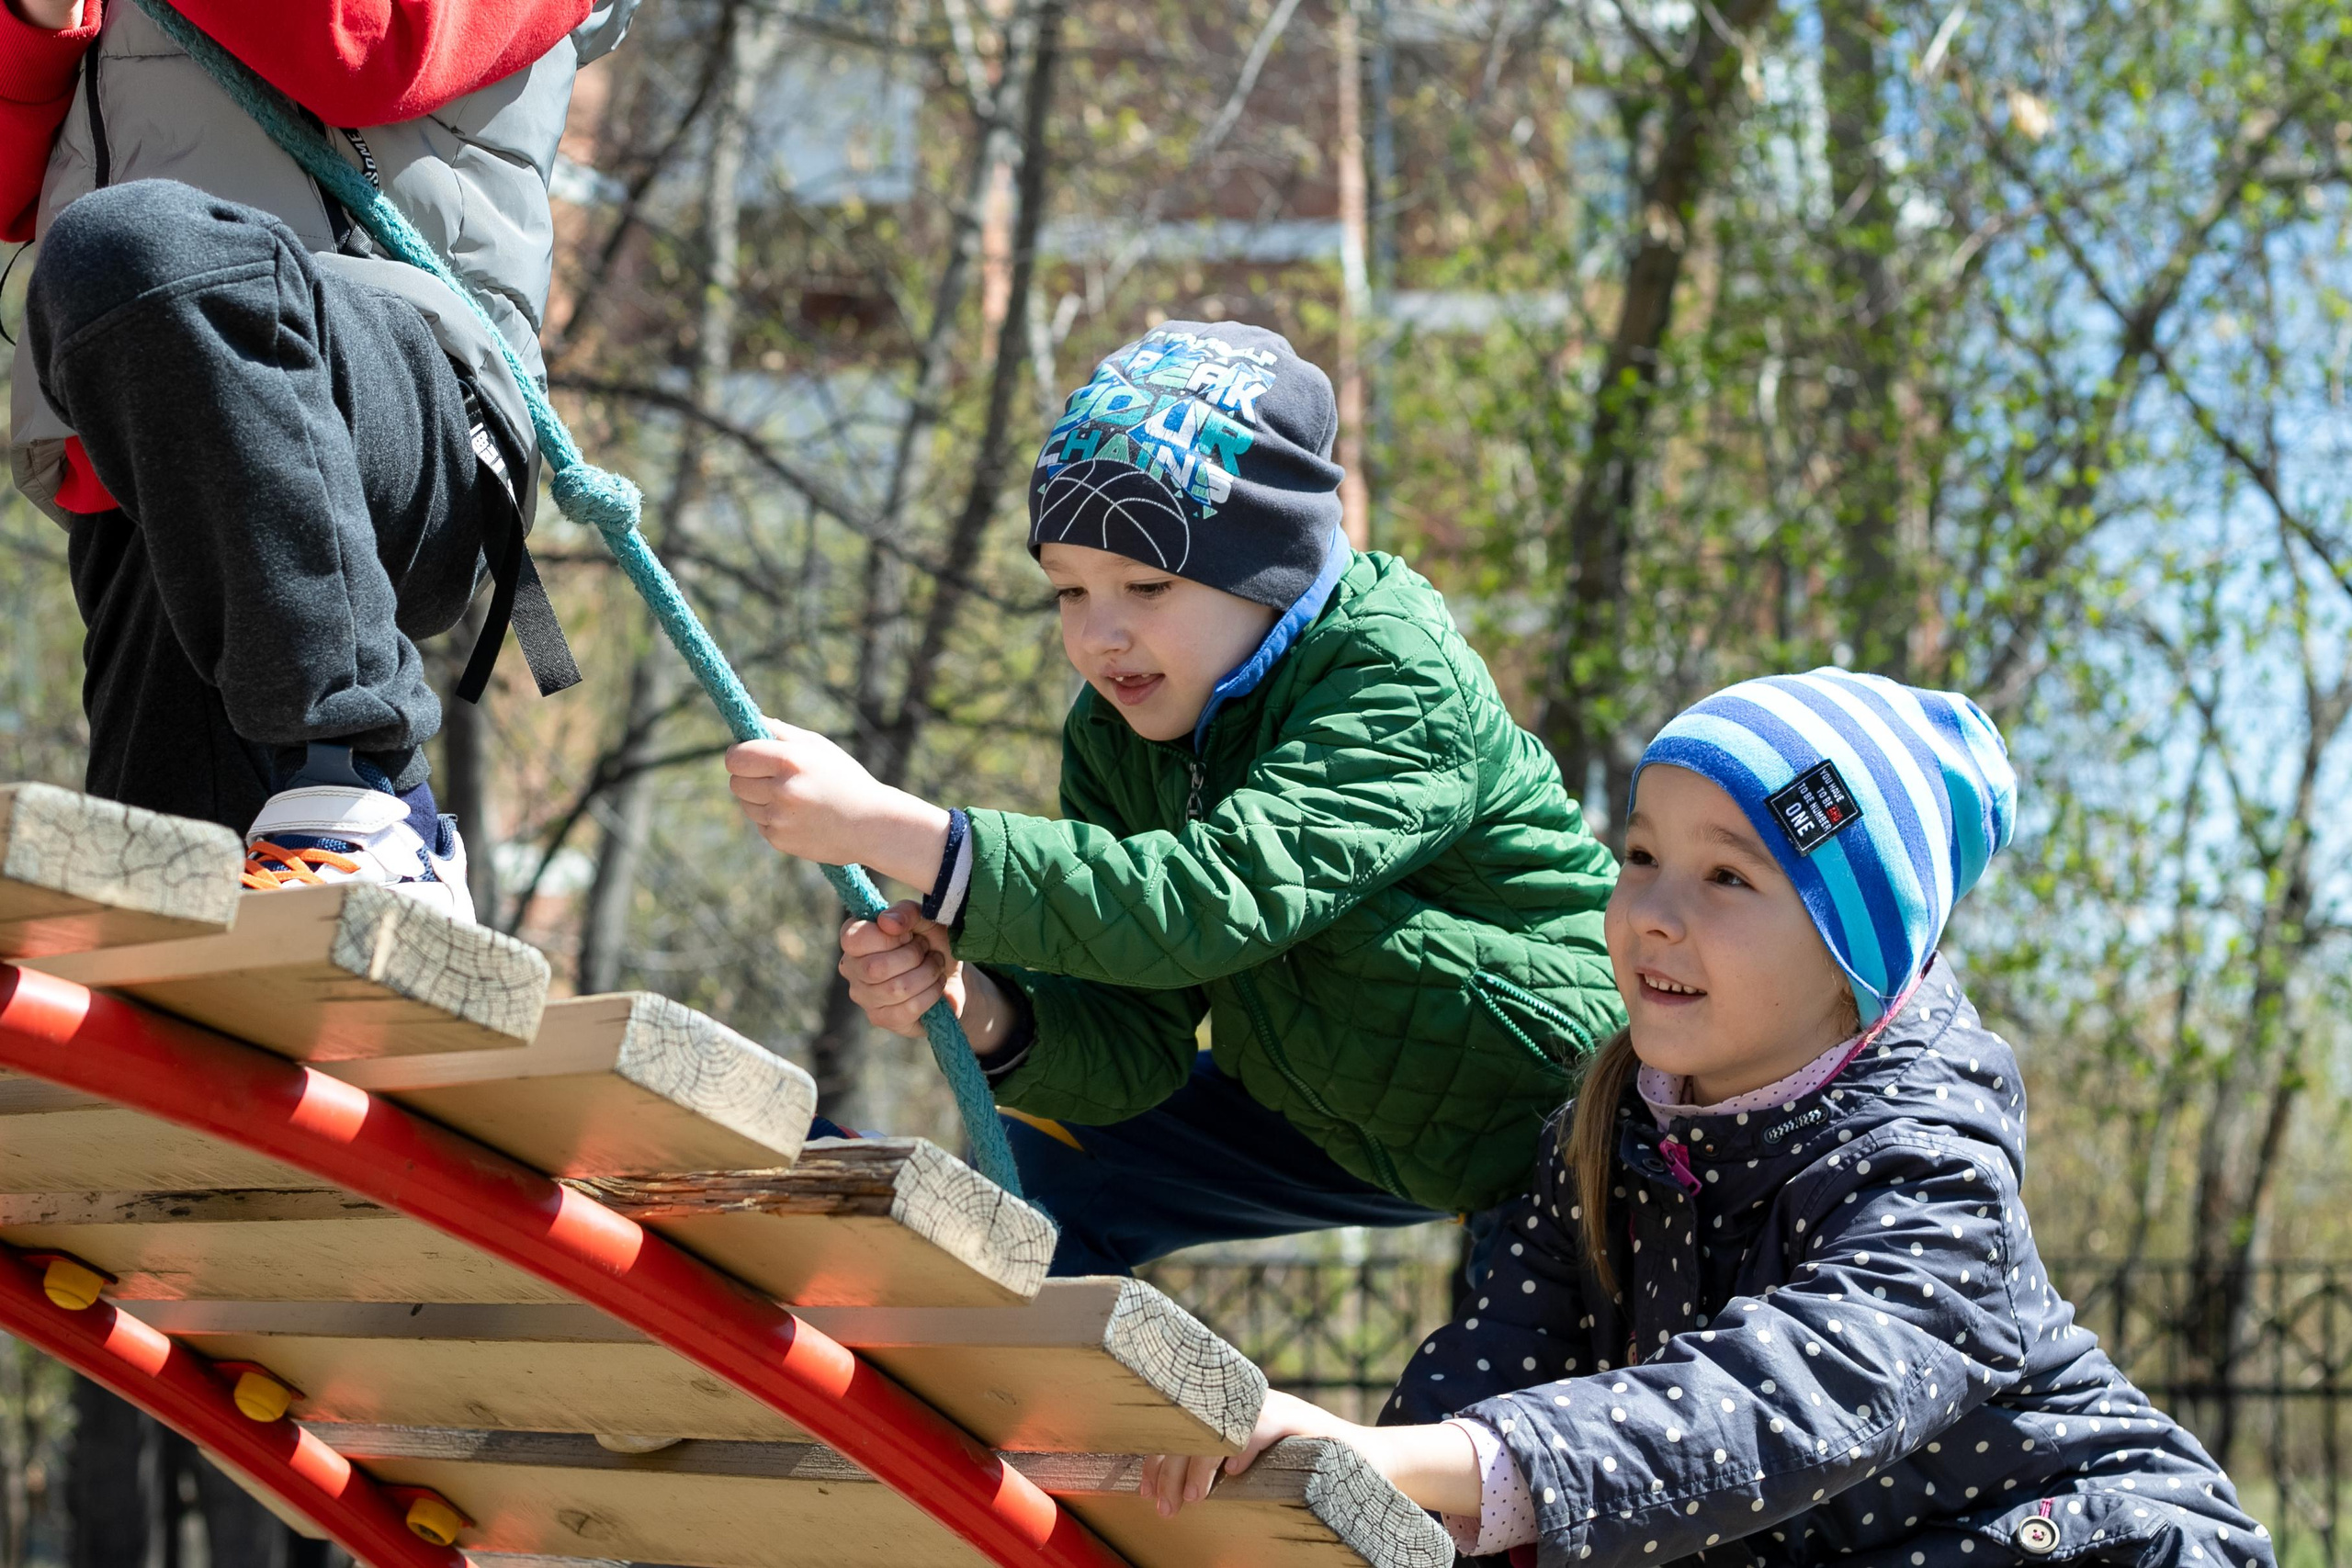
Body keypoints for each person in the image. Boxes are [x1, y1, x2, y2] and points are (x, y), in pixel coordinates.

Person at [1138, 670, 2275, 1568]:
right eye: (1638, 857)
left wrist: (1420, 1461)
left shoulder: (1929, 1180)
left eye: (1728, 878)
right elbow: (1486, 1380)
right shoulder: (1608, 1133)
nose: (1653, 915)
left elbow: (1768, 1407)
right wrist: (1325, 1487)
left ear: (1852, 954)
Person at [725, 321, 1624, 1277]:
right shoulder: (1119, 736)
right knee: (1054, 1173)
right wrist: (978, 1005)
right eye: (1067, 593)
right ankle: (1000, 1408)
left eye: (1145, 585)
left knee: (1503, 1398)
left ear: (1268, 573)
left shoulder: (1393, 676)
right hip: (1343, 1097)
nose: (1098, 637)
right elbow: (1131, 1034)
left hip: (1575, 1111)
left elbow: (1211, 902)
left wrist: (891, 830)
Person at [3, 0, 628, 919]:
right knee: (167, 924)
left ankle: (371, 785)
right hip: (153, 459)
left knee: (133, 249)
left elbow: (366, 48)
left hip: (396, 397)